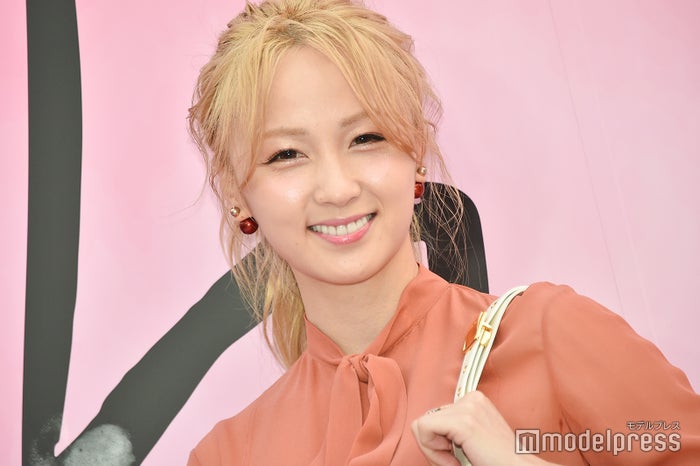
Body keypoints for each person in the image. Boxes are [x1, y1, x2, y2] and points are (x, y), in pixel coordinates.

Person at [186, 0, 700, 464]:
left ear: (415, 152)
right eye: (286, 154)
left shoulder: (551, 334)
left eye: (366, 138)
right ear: (235, 192)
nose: (338, 188)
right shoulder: (229, 455)